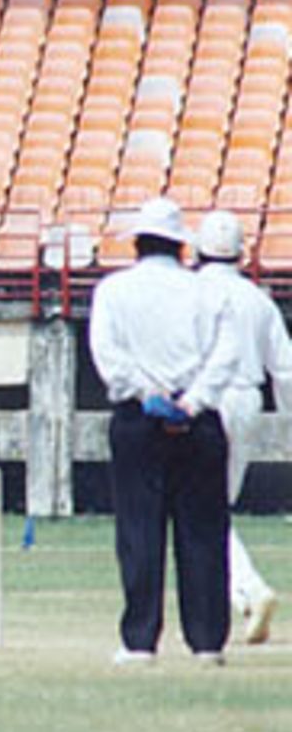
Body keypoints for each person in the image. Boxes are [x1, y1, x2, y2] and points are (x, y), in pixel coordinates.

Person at [89, 197, 238, 665]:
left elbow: (108, 354)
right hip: (199, 419)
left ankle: (139, 640)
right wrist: (192, 401)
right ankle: (207, 641)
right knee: (203, 532)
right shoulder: (208, 292)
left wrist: (147, 392)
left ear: (137, 243)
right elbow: (225, 355)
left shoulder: (113, 290)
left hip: (139, 419)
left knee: (139, 529)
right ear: (180, 246)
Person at [195, 210, 286, 644]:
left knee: (203, 508)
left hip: (207, 397)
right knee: (215, 505)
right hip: (248, 397)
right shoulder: (258, 299)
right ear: (240, 254)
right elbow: (284, 367)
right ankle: (242, 597)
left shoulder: (191, 293)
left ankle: (249, 589)